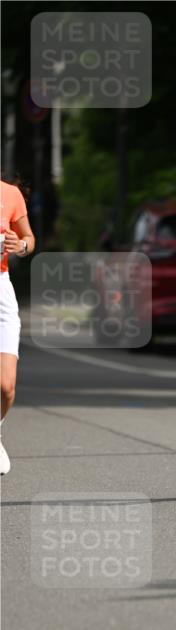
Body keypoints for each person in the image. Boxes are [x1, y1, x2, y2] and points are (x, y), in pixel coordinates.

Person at [0, 178, 35, 475]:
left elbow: (29, 240)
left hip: (1, 291)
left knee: (5, 386)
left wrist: (20, 244)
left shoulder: (10, 194)